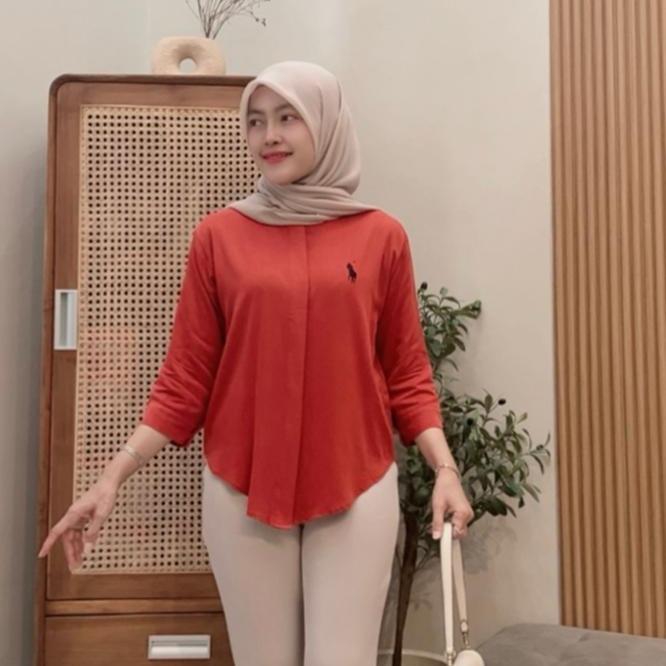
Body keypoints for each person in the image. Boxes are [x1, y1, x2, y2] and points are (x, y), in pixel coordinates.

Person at [38, 60, 474, 665]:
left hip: (357, 480)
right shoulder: (218, 237)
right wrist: (110, 478)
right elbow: (185, 379)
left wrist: (444, 469)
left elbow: (406, 372)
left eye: (288, 117)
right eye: (256, 121)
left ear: (326, 122)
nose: (269, 136)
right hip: (241, 485)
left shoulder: (382, 237)